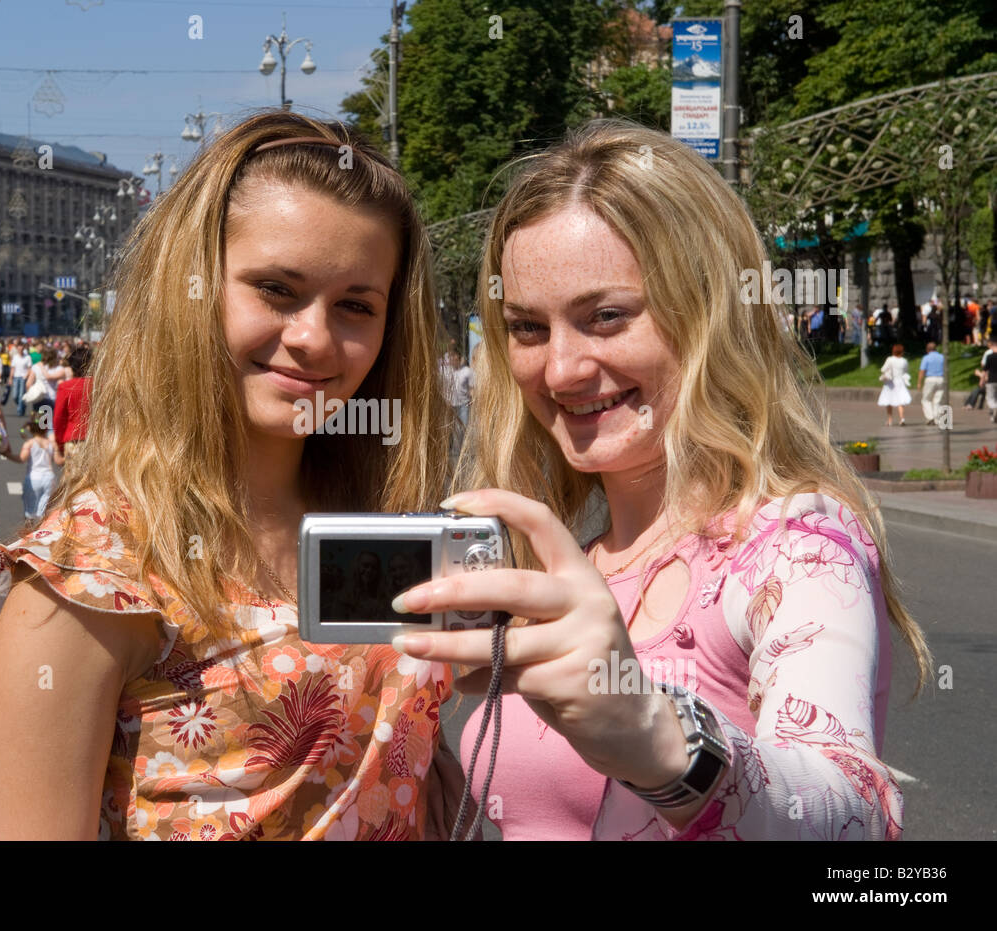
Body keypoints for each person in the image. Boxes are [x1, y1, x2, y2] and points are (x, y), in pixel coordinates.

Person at [389, 119, 931, 841]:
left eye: (606, 317)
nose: (560, 368)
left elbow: (854, 811)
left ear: (708, 313)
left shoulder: (796, 541)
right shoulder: (568, 571)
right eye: (527, 327)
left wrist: (659, 739)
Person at [0, 111, 460, 840]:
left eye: (356, 304)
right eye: (277, 289)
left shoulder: (391, 525)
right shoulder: (89, 577)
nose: (314, 338)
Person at [3, 412, 57, 525]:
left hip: (34, 478)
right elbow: (58, 460)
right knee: (44, 511)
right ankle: (41, 533)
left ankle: (28, 533)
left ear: (31, 428)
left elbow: (22, 458)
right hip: (49, 478)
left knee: (30, 511)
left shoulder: (30, 443)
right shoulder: (51, 444)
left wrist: (7, 454)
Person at [52, 343, 92, 468]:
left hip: (73, 440)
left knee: (74, 483)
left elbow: (58, 418)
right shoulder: (98, 385)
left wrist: (59, 444)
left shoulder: (65, 387)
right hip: (95, 441)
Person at [878, 344, 912, 425]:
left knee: (889, 400)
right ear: (902, 352)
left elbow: (883, 369)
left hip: (891, 382)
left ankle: (890, 420)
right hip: (900, 381)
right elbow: (906, 371)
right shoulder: (904, 361)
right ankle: (902, 418)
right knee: (900, 401)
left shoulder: (890, 359)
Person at [917, 341, 946, 426]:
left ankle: (930, 417)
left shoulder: (926, 358)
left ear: (927, 349)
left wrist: (919, 382)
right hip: (941, 379)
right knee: (938, 400)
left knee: (926, 399)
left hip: (930, 379)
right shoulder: (942, 357)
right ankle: (937, 419)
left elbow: (922, 370)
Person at [9, 341, 31, 416]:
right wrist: (10, 378)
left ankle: (19, 410)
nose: (20, 349)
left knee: (21, 395)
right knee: (15, 396)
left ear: (23, 348)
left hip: (23, 378)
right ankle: (22, 405)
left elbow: (29, 368)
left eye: (21, 348)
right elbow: (12, 368)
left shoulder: (27, 357)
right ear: (17, 348)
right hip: (16, 377)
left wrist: (27, 376)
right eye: (19, 348)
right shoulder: (15, 357)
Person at [982, 337, 997, 424]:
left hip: (991, 380)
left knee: (990, 397)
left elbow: (985, 369)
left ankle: (994, 408)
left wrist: (982, 380)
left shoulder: (989, 356)